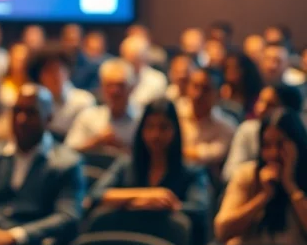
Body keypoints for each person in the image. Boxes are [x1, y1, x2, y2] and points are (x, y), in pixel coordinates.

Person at [0, 84, 84, 245]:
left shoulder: (67, 163)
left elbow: (67, 216)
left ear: (49, 118)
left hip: (26, 244)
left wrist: (13, 236)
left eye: (31, 113)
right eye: (17, 111)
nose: (21, 119)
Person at [86, 99, 211, 232]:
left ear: (175, 131)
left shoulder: (192, 171)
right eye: (150, 127)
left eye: (163, 127)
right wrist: (146, 196)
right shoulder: (126, 164)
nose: (155, 135)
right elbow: (95, 195)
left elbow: (198, 209)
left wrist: (153, 206)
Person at [215, 109, 307, 245]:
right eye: (267, 145)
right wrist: (264, 196)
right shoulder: (247, 175)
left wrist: (290, 186)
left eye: (281, 144)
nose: (273, 153)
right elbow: (222, 230)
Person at [222, 84, 304, 182]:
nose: (260, 108)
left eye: (271, 105)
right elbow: (229, 174)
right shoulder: (247, 129)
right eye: (260, 101)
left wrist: (289, 183)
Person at [65, 59, 141, 153]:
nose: (114, 91)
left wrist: (120, 146)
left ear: (132, 87)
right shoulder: (88, 116)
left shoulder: (141, 120)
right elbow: (68, 151)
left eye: (120, 85)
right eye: (109, 85)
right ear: (101, 87)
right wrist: (96, 142)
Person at [28, 47, 96, 139]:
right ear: (40, 76)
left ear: (68, 71)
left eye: (58, 69)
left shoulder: (84, 101)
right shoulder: (36, 103)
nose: (55, 76)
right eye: (49, 71)